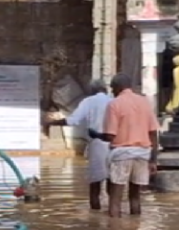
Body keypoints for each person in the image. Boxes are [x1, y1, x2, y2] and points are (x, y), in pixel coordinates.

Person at [46, 79, 112, 210]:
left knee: (95, 183)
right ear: (106, 89)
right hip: (115, 144)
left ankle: (95, 219)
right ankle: (113, 212)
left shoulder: (88, 101)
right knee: (113, 181)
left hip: (97, 144)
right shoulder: (113, 101)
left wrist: (53, 123)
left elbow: (73, 120)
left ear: (92, 90)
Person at [102, 73, 159, 217]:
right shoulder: (144, 102)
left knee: (115, 199)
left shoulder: (114, 104)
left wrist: (98, 135)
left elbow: (110, 135)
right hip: (143, 154)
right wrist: (153, 160)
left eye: (113, 88)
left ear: (117, 87)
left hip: (122, 154)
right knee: (135, 197)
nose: (112, 92)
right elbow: (153, 133)